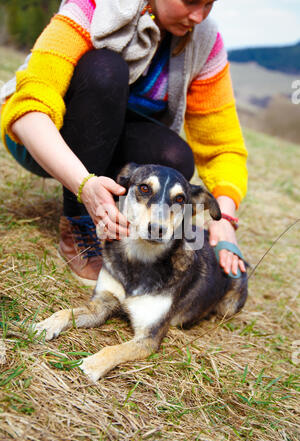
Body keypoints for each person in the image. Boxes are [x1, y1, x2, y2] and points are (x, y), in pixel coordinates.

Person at [0, 0, 248, 286]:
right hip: (41, 140)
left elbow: (223, 146)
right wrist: (85, 185)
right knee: (106, 69)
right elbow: (29, 112)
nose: (198, 15)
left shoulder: (204, 41)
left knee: (174, 157)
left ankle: (119, 224)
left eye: (209, 4)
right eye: (190, 1)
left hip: (110, 145)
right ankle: (79, 223)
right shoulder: (93, 7)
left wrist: (224, 219)